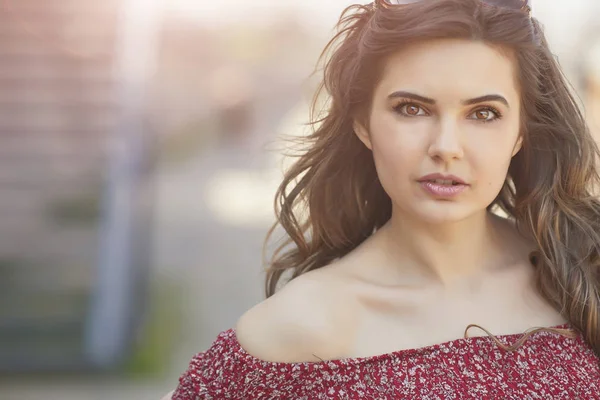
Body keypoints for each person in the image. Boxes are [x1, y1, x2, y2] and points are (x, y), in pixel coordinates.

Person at [165, 0, 600, 398]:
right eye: (412, 109)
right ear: (363, 123)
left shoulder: (581, 269)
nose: (446, 146)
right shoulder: (297, 331)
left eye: (483, 113)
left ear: (521, 132)